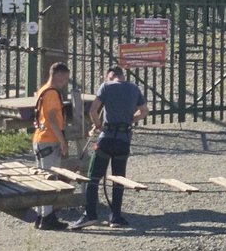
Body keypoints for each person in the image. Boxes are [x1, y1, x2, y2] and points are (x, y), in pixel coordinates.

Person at [70, 65, 147, 230]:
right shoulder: (134, 88)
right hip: (124, 139)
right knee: (119, 179)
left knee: (93, 177)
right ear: (122, 76)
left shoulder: (106, 86)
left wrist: (98, 125)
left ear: (109, 76)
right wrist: (130, 119)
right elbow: (144, 111)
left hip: (107, 138)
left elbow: (93, 110)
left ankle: (90, 215)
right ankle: (116, 217)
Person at [32, 62, 70, 230]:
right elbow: (52, 117)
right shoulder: (53, 93)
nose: (65, 82)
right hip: (49, 138)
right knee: (50, 178)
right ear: (58, 75)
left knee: (42, 178)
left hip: (39, 137)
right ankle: (47, 217)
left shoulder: (43, 90)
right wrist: (62, 141)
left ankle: (41, 215)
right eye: (65, 78)